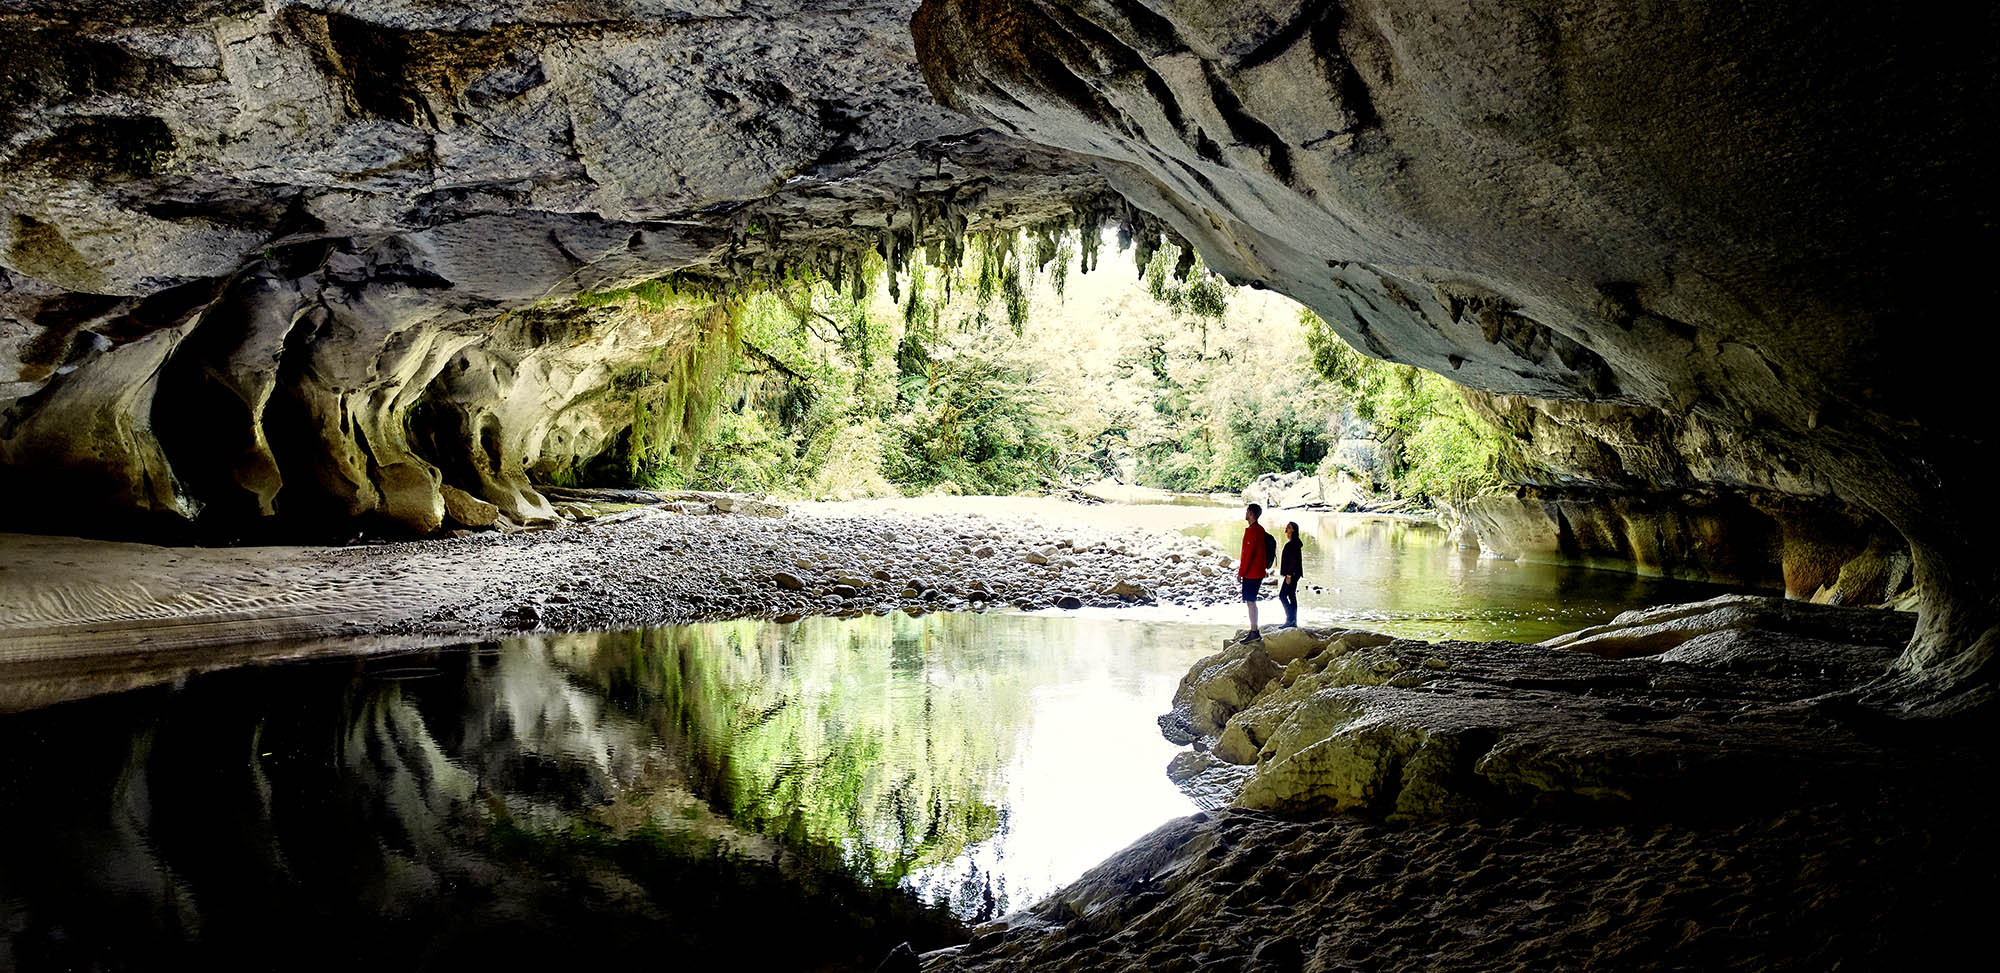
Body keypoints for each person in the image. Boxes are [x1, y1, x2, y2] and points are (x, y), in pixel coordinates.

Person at [1238, 503, 1269, 639]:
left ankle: (1254, 631)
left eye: (1247, 512)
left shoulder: (1252, 531)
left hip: (1252, 572)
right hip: (1258, 571)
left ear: (1250, 514)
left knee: (1250, 602)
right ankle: (1254, 630)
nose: (1245, 514)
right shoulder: (1260, 529)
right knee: (1252, 601)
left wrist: (1241, 572)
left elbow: (1247, 554)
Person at [1278, 522, 1303, 628]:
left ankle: (1290, 619)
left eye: (1289, 527)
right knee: (1291, 595)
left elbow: (1293, 561)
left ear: (1293, 530)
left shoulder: (1293, 544)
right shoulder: (1293, 543)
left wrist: (1289, 575)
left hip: (1292, 574)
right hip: (1294, 573)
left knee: (1283, 595)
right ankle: (1293, 620)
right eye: (1287, 526)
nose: (1287, 528)